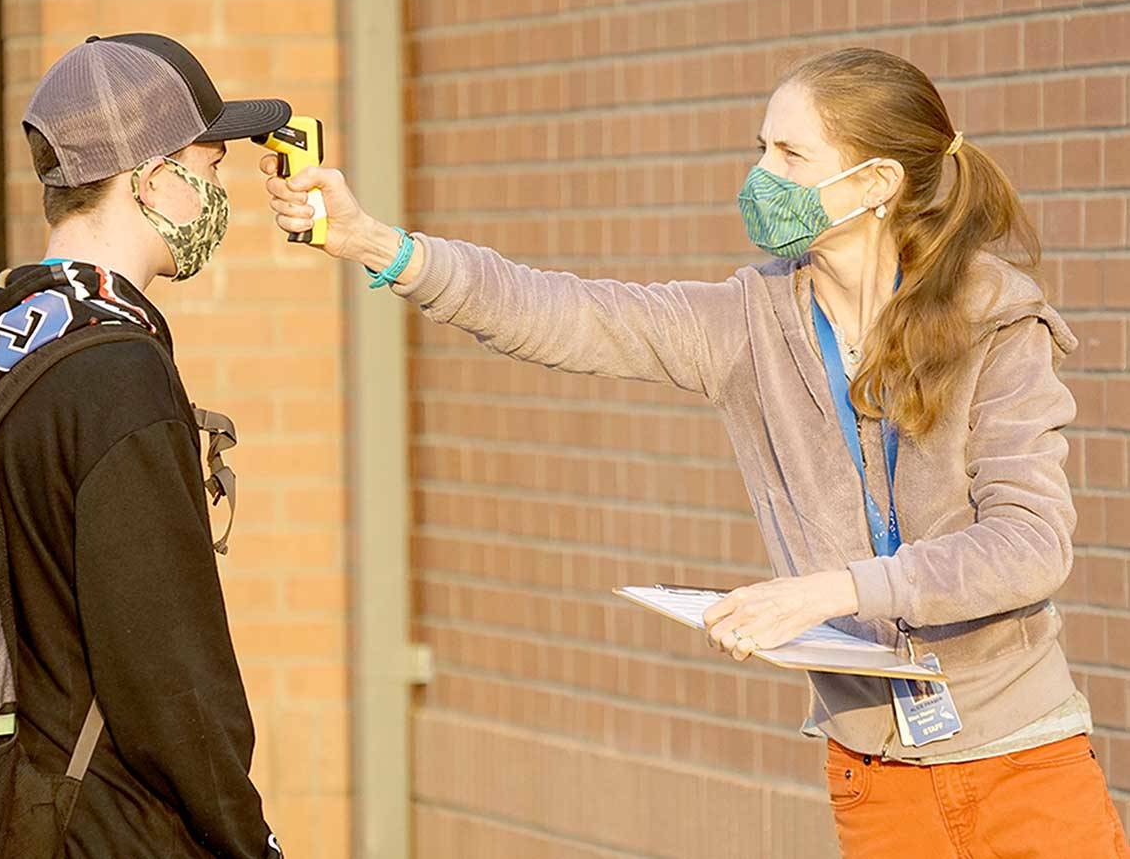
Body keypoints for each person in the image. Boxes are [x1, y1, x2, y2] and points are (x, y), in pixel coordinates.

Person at [264, 47, 1130, 857]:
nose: (761, 177)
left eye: (791, 155)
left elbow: (1030, 544)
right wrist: (380, 245)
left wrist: (833, 591)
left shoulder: (996, 320)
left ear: (874, 183)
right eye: (761, 148)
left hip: (1022, 763)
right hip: (875, 773)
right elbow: (561, 313)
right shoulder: (746, 322)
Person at [0, 34, 290, 858]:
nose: (219, 190)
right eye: (212, 166)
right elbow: (172, 678)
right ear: (154, 180)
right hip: (110, 829)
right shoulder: (118, 374)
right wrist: (247, 837)